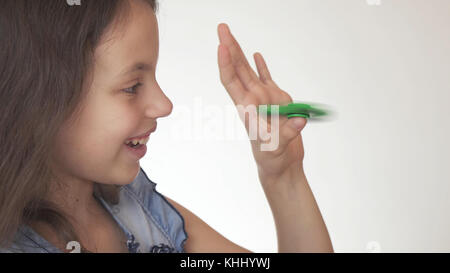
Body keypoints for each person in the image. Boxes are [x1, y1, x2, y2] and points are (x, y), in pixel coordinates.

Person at [0, 0, 333, 253]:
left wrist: (284, 176)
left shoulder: (140, 209)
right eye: (132, 86)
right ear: (39, 101)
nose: (164, 105)